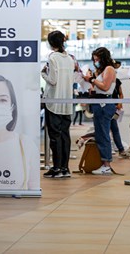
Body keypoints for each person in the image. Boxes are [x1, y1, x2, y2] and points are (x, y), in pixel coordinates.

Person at [41, 30, 75, 178]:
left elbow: (53, 80)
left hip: (54, 101)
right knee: (65, 135)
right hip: (67, 102)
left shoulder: (52, 57)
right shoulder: (69, 58)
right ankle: (65, 168)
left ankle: (56, 168)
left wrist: (43, 74)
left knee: (55, 136)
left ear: (50, 43)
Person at [84, 47, 117, 175]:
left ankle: (107, 163)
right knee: (100, 133)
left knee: (103, 133)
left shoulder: (109, 69)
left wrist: (92, 80)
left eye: (97, 59)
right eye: (94, 59)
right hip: (98, 103)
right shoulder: (102, 71)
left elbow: (105, 87)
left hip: (105, 104)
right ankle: (104, 162)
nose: (95, 61)